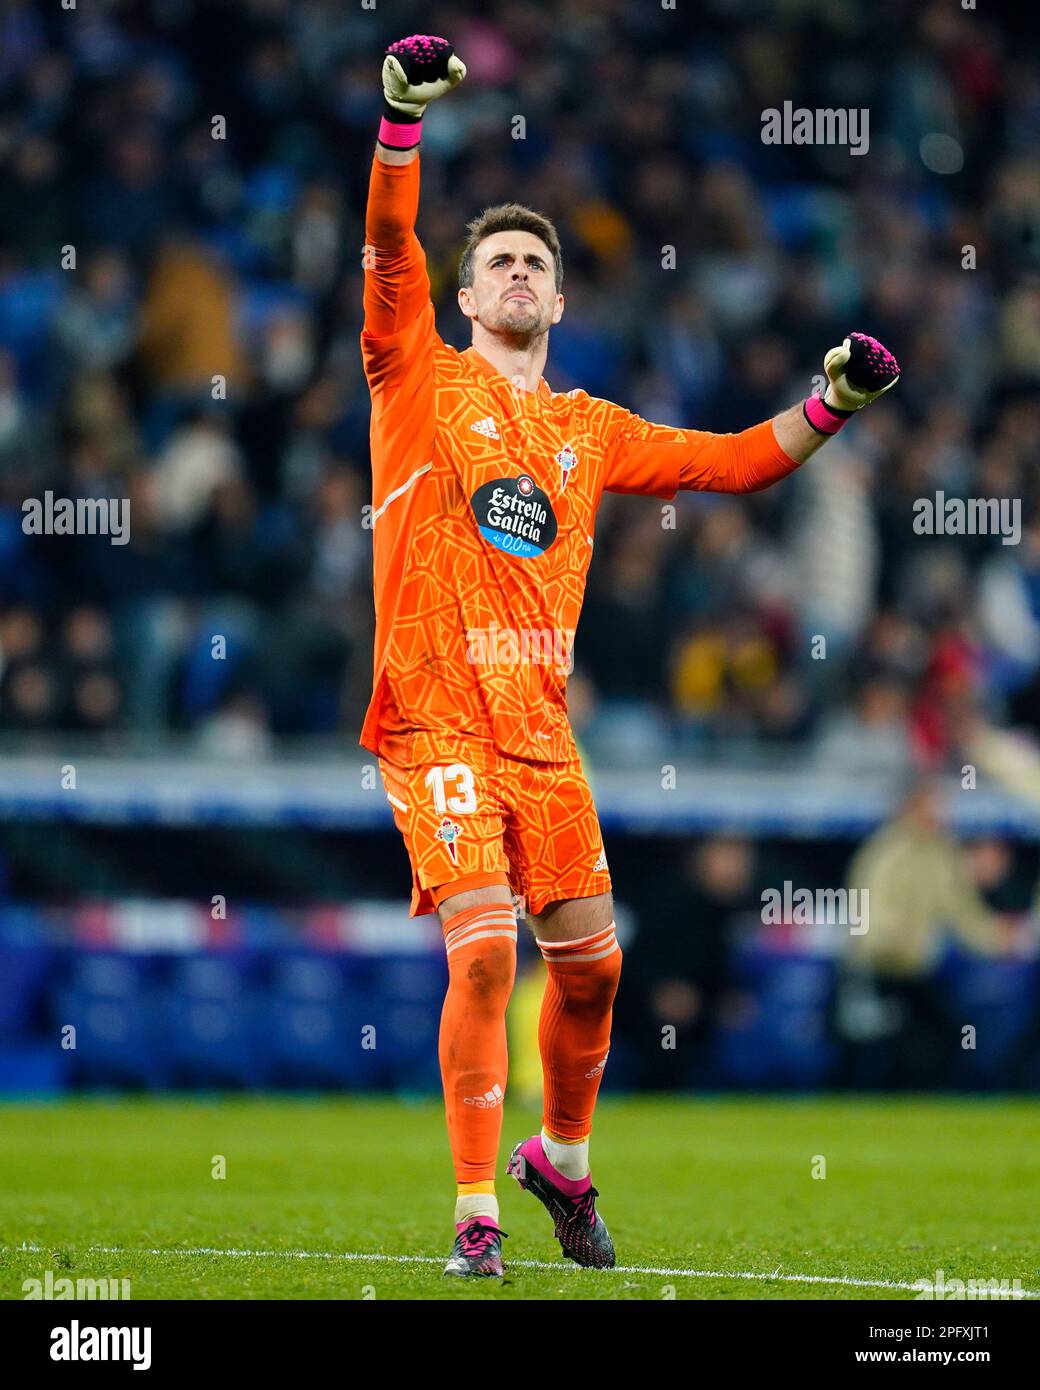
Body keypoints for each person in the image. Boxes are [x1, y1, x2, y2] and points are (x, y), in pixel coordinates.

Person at [359, 34, 901, 1278]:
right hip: (434, 712)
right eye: (493, 258)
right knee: (484, 951)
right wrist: (399, 121)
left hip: (542, 730)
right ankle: (473, 1213)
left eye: (533, 263)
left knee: (594, 974)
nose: (511, 273)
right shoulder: (411, 377)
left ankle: (560, 1158)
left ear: (557, 302)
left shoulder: (588, 430)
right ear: (466, 292)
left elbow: (729, 461)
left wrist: (830, 403)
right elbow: (389, 248)